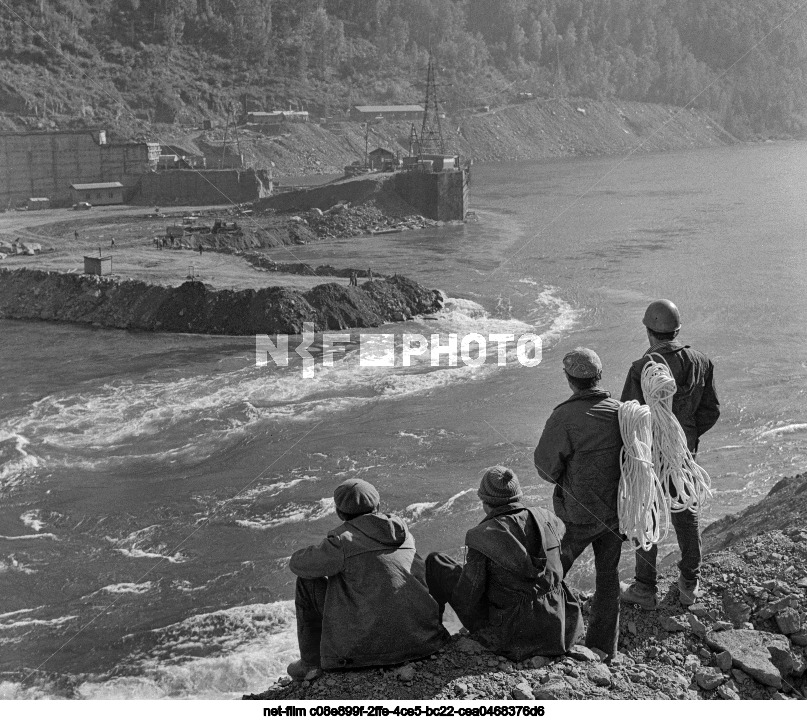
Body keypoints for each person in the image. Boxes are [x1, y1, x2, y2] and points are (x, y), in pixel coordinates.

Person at [287, 479, 447, 681]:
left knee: (306, 582)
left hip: (364, 652)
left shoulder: (341, 541)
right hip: (425, 640)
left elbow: (299, 564)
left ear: (339, 513)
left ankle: (310, 664)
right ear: (378, 507)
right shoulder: (402, 531)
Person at [619, 299, 720, 609]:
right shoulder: (701, 362)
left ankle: (645, 588)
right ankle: (690, 583)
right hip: (683, 453)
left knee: (646, 514)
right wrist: (685, 438)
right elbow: (711, 411)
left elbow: (630, 416)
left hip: (650, 456)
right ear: (677, 329)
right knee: (685, 514)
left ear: (650, 332)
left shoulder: (641, 368)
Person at [425, 466, 583, 661]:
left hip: (515, 636)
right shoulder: (547, 517)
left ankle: (435, 635)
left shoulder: (481, 536)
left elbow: (468, 597)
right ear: (517, 496)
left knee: (437, 562)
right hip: (562, 626)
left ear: (484, 501)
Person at [534, 348, 624, 660]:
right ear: (598, 376)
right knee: (608, 578)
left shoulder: (563, 417)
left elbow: (546, 469)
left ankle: (547, 637)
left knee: (552, 574)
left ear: (571, 381)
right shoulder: (622, 411)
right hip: (616, 513)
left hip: (578, 514)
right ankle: (603, 647)